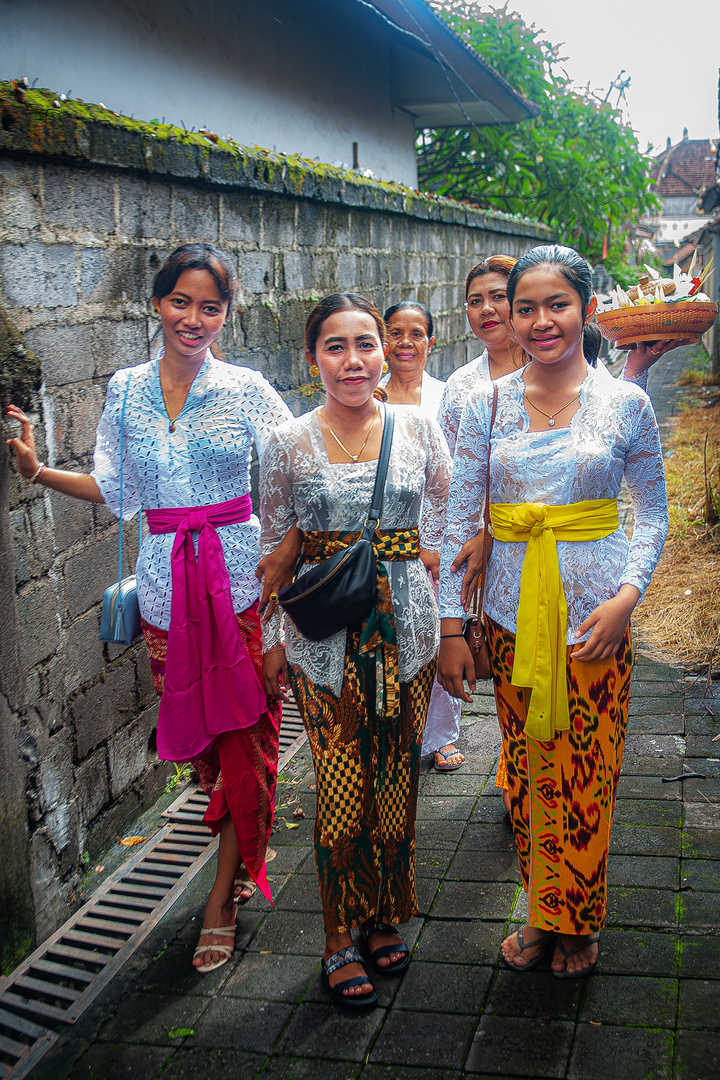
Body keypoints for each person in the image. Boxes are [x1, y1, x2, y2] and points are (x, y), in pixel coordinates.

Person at [6, 243, 299, 974]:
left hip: (240, 589)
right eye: (180, 302)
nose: (193, 319)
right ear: (157, 303)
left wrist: (284, 563)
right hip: (166, 595)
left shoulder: (248, 388)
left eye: (210, 306)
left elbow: (303, 470)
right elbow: (116, 488)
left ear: (225, 313)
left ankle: (222, 898)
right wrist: (38, 471)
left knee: (247, 745)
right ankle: (239, 834)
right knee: (205, 749)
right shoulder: (127, 388)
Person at [438, 244, 669, 978]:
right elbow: (454, 519)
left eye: (556, 305)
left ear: (588, 309)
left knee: (588, 771)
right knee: (531, 770)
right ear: (507, 314)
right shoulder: (486, 404)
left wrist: (627, 602)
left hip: (596, 617)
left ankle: (581, 918)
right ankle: (543, 911)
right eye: (524, 307)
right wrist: (451, 625)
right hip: (508, 618)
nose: (540, 321)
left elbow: (654, 513)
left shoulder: (625, 402)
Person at [260, 293, 451, 1008]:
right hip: (323, 642)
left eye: (365, 344)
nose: (353, 360)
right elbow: (274, 548)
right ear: (314, 358)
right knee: (341, 789)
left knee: (397, 780)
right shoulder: (287, 442)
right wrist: (273, 637)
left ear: (386, 352)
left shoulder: (419, 427)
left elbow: (447, 509)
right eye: (335, 346)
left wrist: (434, 578)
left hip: (410, 633)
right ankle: (337, 936)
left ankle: (381, 916)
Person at [380, 301, 463, 772]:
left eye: (417, 333)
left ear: (432, 341)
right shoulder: (366, 395)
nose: (406, 342)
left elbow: (460, 478)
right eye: (396, 333)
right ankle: (397, 729)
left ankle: (443, 734)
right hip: (385, 538)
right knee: (392, 638)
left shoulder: (447, 396)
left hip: (439, 540)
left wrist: (444, 541)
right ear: (384, 341)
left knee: (439, 635)